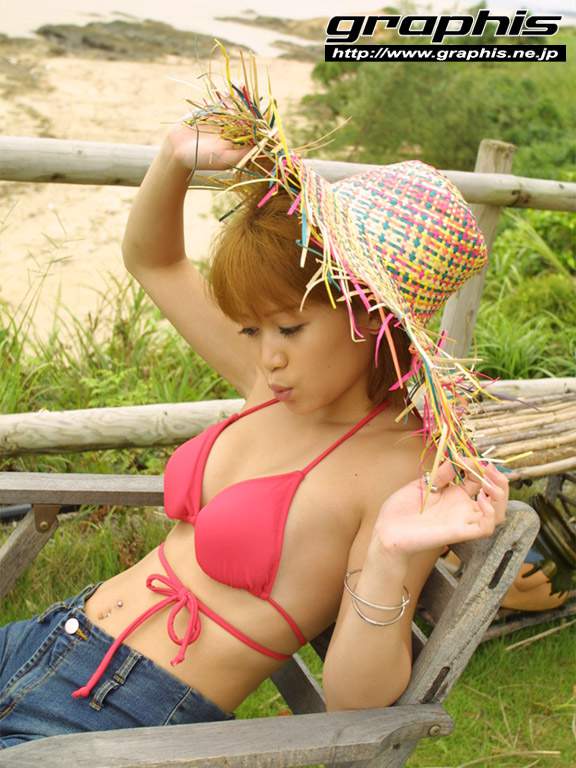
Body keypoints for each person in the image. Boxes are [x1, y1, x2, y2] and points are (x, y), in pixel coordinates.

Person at [0, 59, 511, 750]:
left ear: (372, 317)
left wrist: (391, 555)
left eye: (289, 329)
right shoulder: (271, 384)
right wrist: (175, 158)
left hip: (115, 717)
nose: (268, 355)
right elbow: (154, 261)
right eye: (252, 330)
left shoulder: (403, 466)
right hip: (44, 639)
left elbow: (356, 703)